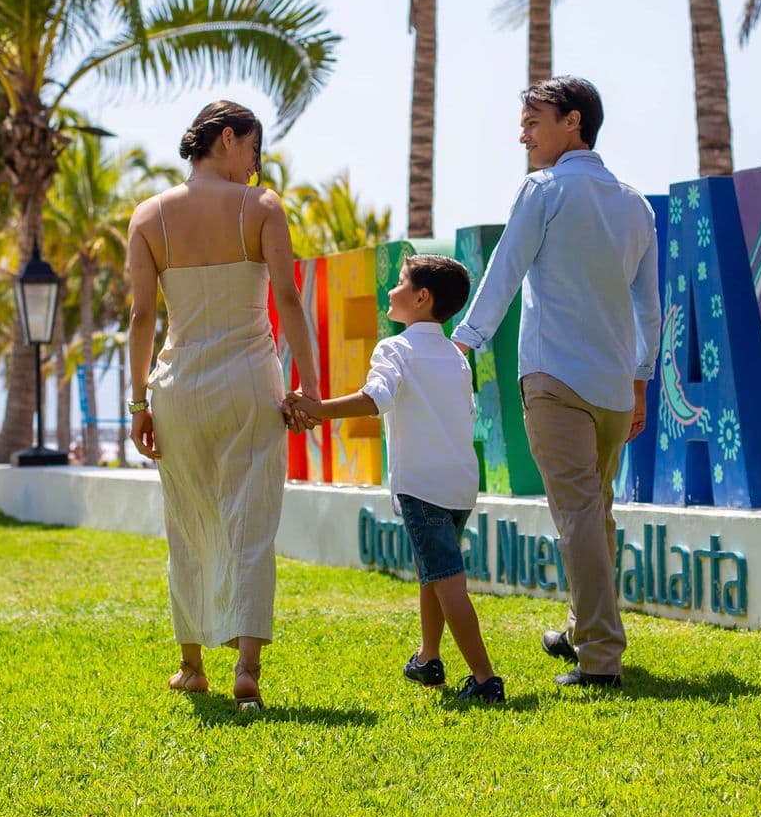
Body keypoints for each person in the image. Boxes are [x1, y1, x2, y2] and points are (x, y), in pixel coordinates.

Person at [450, 76, 660, 689]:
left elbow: (504, 271)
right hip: (616, 387)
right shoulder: (635, 204)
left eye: (533, 120)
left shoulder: (542, 190)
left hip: (554, 379)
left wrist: (464, 342)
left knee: (578, 517)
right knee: (596, 514)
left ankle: (599, 657)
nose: (523, 132)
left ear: (573, 122)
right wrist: (642, 381)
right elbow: (649, 307)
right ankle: (578, 630)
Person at [126, 101, 319, 710]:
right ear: (230, 140)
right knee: (251, 521)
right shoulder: (260, 209)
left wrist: (136, 402)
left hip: (178, 383)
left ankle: (191, 665)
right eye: (254, 154)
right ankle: (247, 668)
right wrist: (308, 387)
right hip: (249, 381)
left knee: (187, 522)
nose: (255, 170)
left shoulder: (148, 216)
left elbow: (141, 318)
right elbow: (286, 299)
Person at [286, 256, 505, 704]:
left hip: (421, 485)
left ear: (421, 298)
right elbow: (465, 416)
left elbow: (376, 398)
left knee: (448, 581)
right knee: (434, 573)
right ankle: (428, 659)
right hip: (459, 485)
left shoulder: (395, 349)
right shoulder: (457, 358)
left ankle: (485, 680)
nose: (391, 289)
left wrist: (317, 408)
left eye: (401, 281)